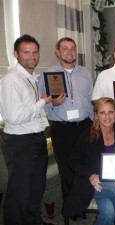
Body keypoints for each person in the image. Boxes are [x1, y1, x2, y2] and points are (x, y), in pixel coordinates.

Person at [0, 34, 53, 225]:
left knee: (36, 188)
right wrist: (41, 102)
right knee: (19, 193)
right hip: (20, 142)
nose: (32, 56)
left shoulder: (31, 78)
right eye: (26, 52)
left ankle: (33, 221)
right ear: (16, 54)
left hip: (35, 138)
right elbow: (14, 116)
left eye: (35, 52)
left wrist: (47, 103)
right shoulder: (11, 79)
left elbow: (31, 111)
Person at [38, 37, 94, 210]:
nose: (69, 52)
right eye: (65, 48)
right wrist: (52, 104)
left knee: (86, 165)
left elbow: (91, 100)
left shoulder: (85, 73)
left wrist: (93, 124)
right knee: (67, 168)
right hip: (62, 129)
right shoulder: (47, 75)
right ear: (58, 52)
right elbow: (42, 105)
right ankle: (71, 209)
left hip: (85, 127)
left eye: (72, 48)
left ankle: (83, 204)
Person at [62, 97, 115, 225]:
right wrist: (91, 174)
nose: (107, 116)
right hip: (94, 183)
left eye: (110, 112)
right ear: (96, 116)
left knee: (108, 211)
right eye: (102, 112)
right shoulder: (88, 135)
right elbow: (73, 161)